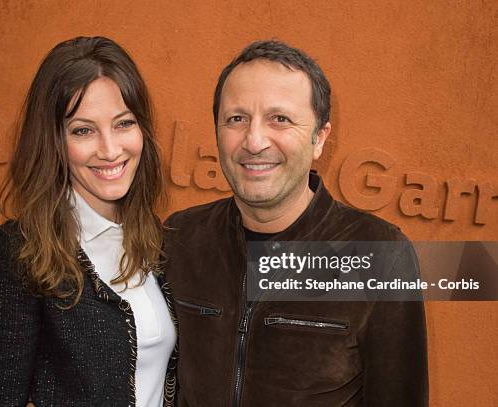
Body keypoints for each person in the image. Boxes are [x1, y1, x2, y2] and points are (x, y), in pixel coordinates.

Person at [163, 40, 428, 406]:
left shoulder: (381, 255)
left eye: (280, 119)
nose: (254, 141)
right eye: (236, 119)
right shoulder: (180, 239)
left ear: (320, 138)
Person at [0, 36, 177, 407]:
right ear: (53, 140)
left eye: (123, 123)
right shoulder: (18, 254)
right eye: (83, 130)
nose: (110, 150)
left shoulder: (157, 241)